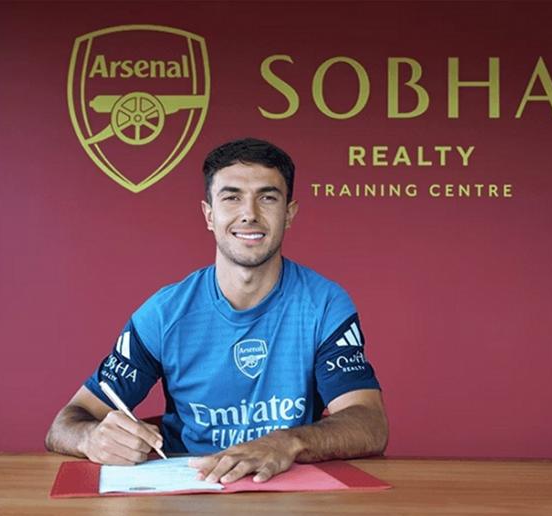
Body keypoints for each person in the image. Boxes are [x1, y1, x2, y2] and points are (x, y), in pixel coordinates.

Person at [45, 138, 388, 484]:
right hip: (191, 489)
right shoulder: (164, 314)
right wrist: (91, 438)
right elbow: (65, 423)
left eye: (267, 198)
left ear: (289, 213)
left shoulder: (324, 305)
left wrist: (287, 442)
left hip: (287, 490)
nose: (249, 213)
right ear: (209, 215)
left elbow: (370, 424)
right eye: (232, 197)